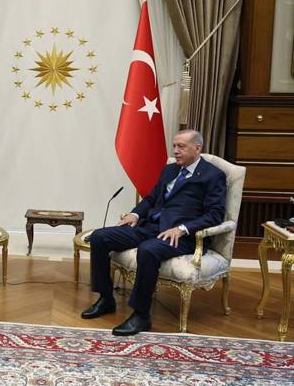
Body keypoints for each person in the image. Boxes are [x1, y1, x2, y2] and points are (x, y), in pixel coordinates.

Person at [82, 129, 226, 336]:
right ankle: (106, 299)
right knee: (100, 237)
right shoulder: (169, 170)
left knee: (148, 250)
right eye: (174, 146)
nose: (175, 151)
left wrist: (182, 229)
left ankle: (141, 316)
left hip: (181, 236)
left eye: (181, 146)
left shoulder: (213, 176)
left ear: (197, 148)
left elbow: (215, 215)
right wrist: (135, 214)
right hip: (150, 226)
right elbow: (151, 199)